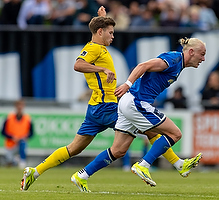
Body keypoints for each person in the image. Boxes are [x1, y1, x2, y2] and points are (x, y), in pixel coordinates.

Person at [20, 7, 201, 191]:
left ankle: (35, 172)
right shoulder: (94, 48)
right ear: (100, 32)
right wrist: (102, 70)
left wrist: (102, 18)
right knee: (151, 130)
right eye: (110, 32)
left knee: (77, 148)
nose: (113, 36)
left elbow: (98, 32)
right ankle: (175, 164)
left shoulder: (99, 46)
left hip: (96, 107)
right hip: (108, 106)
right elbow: (78, 64)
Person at [70, 37, 205, 190]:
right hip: (136, 102)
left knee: (118, 150)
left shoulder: (178, 64)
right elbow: (143, 65)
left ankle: (82, 176)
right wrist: (127, 84)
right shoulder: (174, 59)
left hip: (129, 103)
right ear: (192, 52)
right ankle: (144, 165)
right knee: (175, 134)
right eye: (202, 54)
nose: (203, 58)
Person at [1, 99, 33, 168]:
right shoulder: (9, 117)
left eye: (21, 106)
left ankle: (22, 161)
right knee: (10, 162)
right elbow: (3, 132)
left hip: (21, 144)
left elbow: (31, 133)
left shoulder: (27, 119)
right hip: (10, 145)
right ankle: (15, 160)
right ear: (15, 107)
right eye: (18, 106)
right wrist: (12, 137)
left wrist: (24, 137)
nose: (20, 108)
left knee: (22, 143)